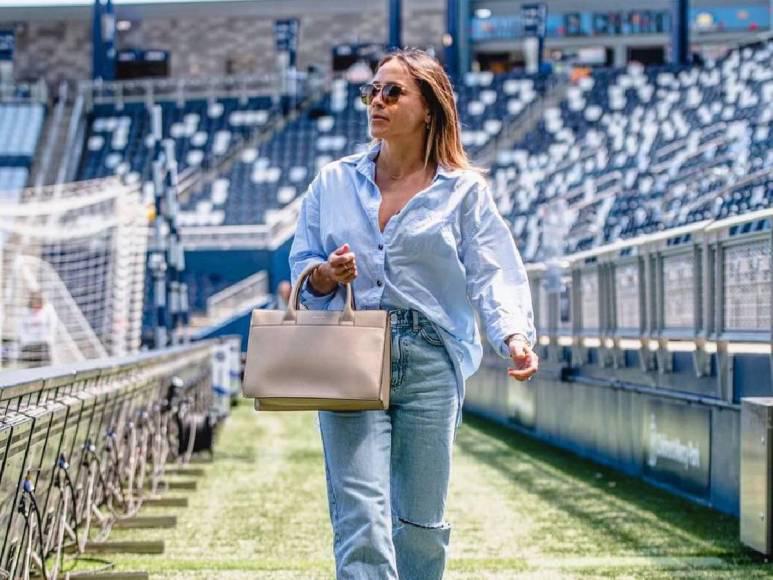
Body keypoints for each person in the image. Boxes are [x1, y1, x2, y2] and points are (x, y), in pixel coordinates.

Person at [288, 48, 538, 580]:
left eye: (392, 91)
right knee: (361, 518)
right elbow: (302, 267)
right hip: (348, 355)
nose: (376, 101)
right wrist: (327, 275)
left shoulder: (464, 191)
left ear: (429, 107)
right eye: (371, 91)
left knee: (421, 525)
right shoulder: (330, 183)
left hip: (430, 361)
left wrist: (512, 334)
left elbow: (492, 270)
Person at [16, 290, 57, 368]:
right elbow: (21, 328)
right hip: (29, 345)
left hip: (43, 344)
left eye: (38, 300)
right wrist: (25, 341)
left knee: (44, 367)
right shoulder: (25, 311)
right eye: (34, 300)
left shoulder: (48, 309)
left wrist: (48, 339)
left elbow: (52, 325)